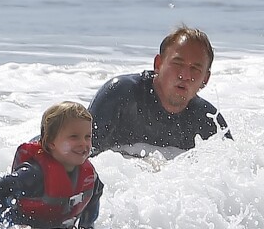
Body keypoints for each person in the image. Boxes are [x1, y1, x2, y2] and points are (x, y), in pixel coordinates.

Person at [88, 25, 231, 158]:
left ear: (205, 79)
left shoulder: (208, 120)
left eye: (195, 68)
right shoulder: (120, 95)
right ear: (158, 64)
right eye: (178, 63)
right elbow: (80, 157)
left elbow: (236, 176)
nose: (185, 75)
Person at [0, 101, 103, 229]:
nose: (83, 143)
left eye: (87, 136)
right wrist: (9, 227)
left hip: (43, 227)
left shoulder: (90, 177)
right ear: (51, 142)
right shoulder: (33, 173)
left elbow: (95, 195)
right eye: (74, 137)